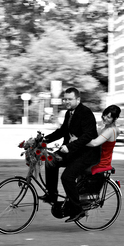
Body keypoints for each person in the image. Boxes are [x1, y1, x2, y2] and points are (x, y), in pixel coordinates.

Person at [40, 87, 101, 222]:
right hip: (74, 151)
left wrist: (69, 146)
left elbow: (88, 136)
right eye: (65, 99)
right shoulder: (69, 113)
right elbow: (62, 131)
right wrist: (43, 140)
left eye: (69, 99)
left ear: (78, 99)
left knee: (67, 177)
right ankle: (52, 195)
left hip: (87, 154)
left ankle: (77, 210)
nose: (66, 101)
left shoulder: (86, 113)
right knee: (51, 160)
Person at [87, 105, 121, 174]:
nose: (105, 118)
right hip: (105, 160)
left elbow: (94, 143)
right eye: (104, 115)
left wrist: (77, 141)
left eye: (109, 117)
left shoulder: (110, 130)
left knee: (76, 168)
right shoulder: (115, 129)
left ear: (115, 118)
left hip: (100, 163)